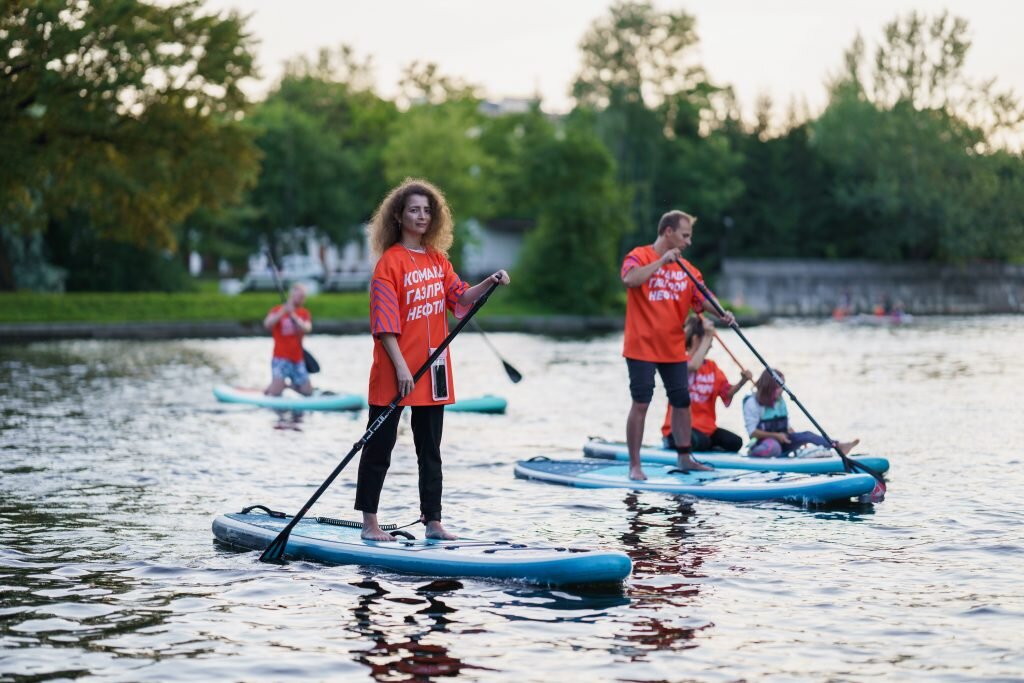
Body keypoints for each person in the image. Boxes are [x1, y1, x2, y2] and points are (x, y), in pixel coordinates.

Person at [357, 178, 510, 542]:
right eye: (414, 209)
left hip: (433, 370)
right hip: (396, 370)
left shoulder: (438, 259)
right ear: (399, 215)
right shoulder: (389, 264)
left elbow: (459, 298)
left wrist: (487, 282)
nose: (422, 216)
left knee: (431, 450)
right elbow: (384, 324)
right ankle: (370, 523)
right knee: (379, 448)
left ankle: (433, 521)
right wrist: (400, 367)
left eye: (427, 210)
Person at [621, 210, 736, 480]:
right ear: (668, 232)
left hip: (672, 348)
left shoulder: (689, 270)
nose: (688, 242)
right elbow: (630, 279)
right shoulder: (639, 256)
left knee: (682, 401)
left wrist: (722, 312)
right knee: (641, 403)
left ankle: (685, 458)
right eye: (685, 236)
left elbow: (703, 297)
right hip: (641, 346)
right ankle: (635, 466)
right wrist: (662, 262)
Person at [660, 316, 753, 453]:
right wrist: (707, 335)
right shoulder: (679, 361)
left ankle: (706, 447)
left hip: (706, 429)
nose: (711, 345)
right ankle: (677, 444)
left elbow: (726, 393)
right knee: (701, 441)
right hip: (678, 430)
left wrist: (742, 382)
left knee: (735, 442)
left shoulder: (712, 367)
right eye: (709, 341)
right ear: (697, 339)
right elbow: (693, 366)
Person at [743, 369, 859, 457]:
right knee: (775, 447)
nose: (782, 390)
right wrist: (776, 436)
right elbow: (752, 432)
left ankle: (837, 446)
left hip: (783, 440)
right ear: (769, 386)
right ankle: (755, 454)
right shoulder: (752, 403)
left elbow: (786, 426)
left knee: (807, 435)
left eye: (783, 385)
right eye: (779, 386)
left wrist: (798, 439)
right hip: (764, 443)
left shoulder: (780, 401)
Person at [263, 282, 313, 397]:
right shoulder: (277, 310)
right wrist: (283, 312)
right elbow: (267, 324)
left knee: (308, 392)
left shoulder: (304, 313)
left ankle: (286, 385)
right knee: (276, 393)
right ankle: (275, 386)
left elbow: (307, 328)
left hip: (297, 359)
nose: (302, 299)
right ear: (292, 295)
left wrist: (294, 317)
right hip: (280, 358)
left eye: (303, 297)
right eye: (300, 296)